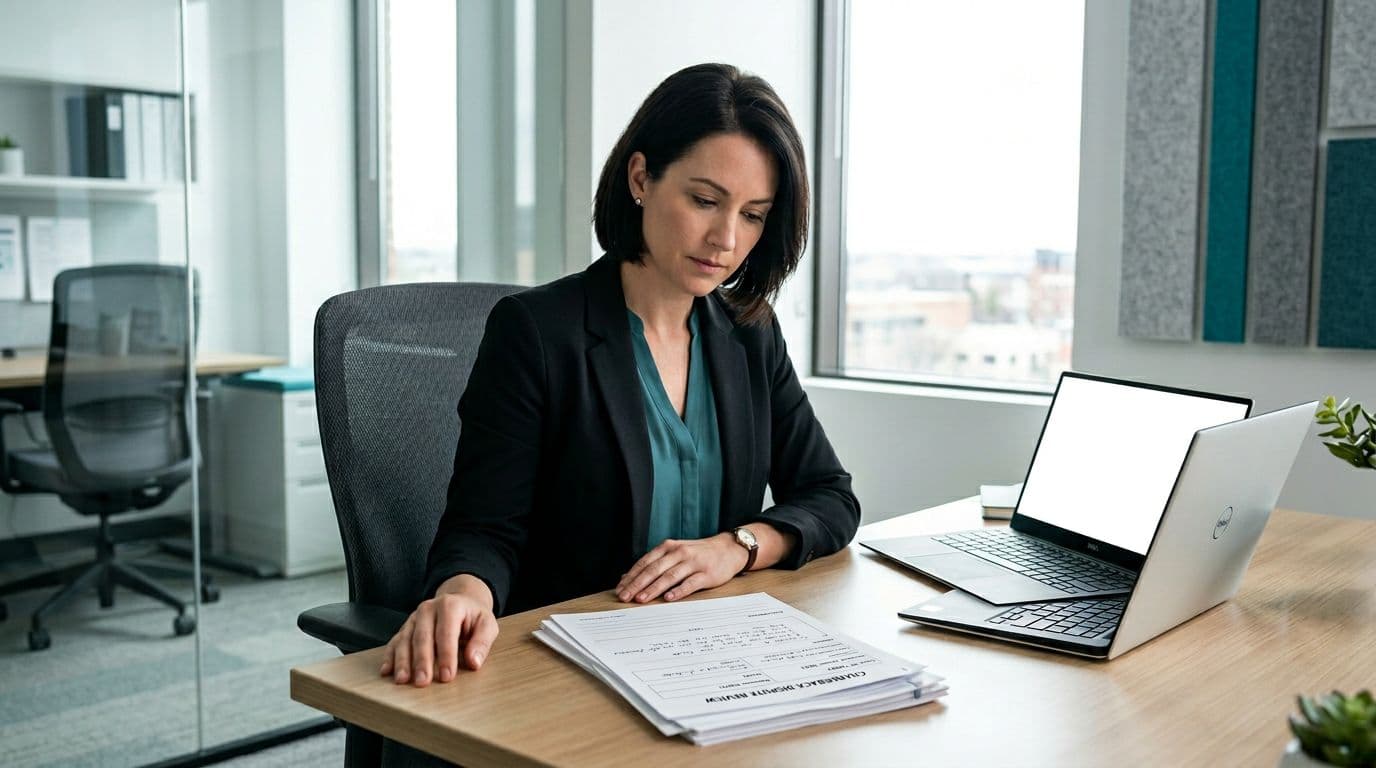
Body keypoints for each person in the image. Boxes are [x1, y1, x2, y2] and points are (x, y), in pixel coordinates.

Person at [382, 63, 860, 688]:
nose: (725, 238)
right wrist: (463, 593)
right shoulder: (536, 332)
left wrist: (736, 546)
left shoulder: (749, 332)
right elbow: (483, 528)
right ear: (641, 178)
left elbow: (830, 495)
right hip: (575, 665)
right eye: (705, 200)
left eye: (754, 215)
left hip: (716, 658)